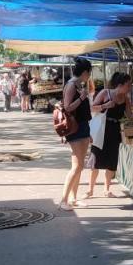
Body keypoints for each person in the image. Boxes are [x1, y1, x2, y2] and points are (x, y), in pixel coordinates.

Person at [87, 72, 133, 199]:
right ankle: (90, 189)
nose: (130, 87)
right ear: (120, 84)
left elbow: (130, 117)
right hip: (102, 129)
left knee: (112, 161)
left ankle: (107, 190)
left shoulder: (126, 99)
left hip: (114, 130)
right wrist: (105, 105)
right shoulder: (105, 93)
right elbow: (92, 108)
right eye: (128, 84)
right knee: (96, 159)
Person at [57, 59, 93, 210]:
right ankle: (64, 200)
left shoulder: (78, 84)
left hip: (83, 127)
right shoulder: (72, 85)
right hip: (76, 129)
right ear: (85, 72)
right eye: (89, 73)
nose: (89, 76)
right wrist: (82, 98)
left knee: (78, 166)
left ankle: (72, 198)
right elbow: (67, 107)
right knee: (78, 166)